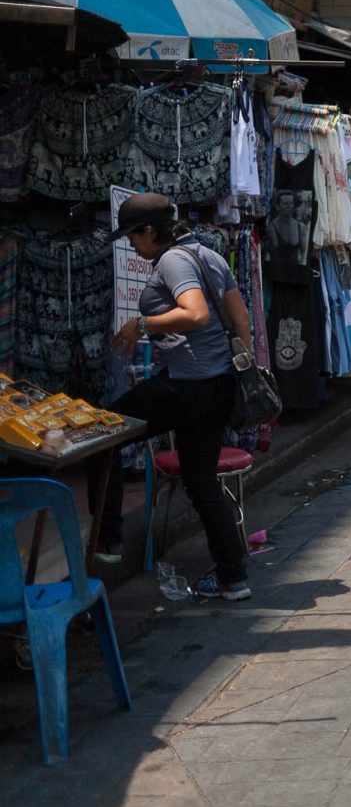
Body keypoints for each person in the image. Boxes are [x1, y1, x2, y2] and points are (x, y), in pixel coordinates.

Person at [93, 193, 252, 599]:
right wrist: (234, 367)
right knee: (201, 482)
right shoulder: (209, 254)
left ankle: (107, 542)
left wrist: (140, 325)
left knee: (102, 436)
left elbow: (196, 313)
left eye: (132, 236)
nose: (131, 245)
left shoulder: (174, 260)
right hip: (216, 385)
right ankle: (234, 578)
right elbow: (241, 318)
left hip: (188, 385)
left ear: (150, 231)